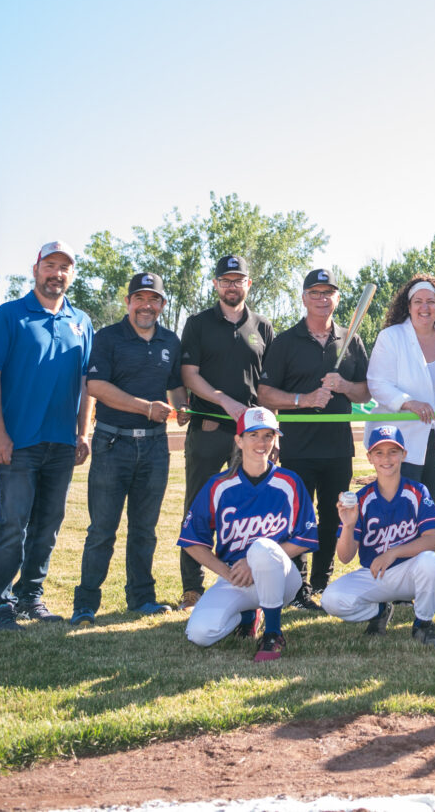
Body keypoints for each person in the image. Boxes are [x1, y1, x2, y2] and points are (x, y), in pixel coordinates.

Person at [0, 240, 94, 631]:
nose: (57, 273)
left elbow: (88, 383)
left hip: (62, 444)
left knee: (48, 524)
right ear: (36, 268)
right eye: (50, 265)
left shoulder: (82, 321)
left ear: (71, 275)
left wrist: (82, 432)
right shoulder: (10, 315)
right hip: (19, 442)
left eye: (64, 268)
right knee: (13, 525)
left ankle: (30, 597)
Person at [71, 272, 187, 624]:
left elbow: (175, 385)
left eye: (154, 299)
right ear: (128, 302)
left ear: (162, 305)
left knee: (144, 529)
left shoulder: (171, 340)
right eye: (139, 298)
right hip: (112, 443)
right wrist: (146, 408)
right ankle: (86, 604)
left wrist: (182, 408)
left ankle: (141, 599)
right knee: (102, 529)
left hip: (155, 448)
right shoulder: (107, 338)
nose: (146, 305)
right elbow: (96, 387)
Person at [257, 268, 371, 609]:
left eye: (329, 293)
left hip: (337, 448)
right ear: (304, 298)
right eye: (316, 293)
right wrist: (303, 400)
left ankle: (322, 582)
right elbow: (264, 393)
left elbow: (366, 391)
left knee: (334, 515)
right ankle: (299, 586)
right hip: (299, 447)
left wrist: (344, 387)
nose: (323, 299)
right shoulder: (285, 342)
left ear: (337, 298)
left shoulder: (351, 340)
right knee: (299, 518)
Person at [176, 254, 277, 611]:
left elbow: (268, 385)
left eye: (239, 280)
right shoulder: (198, 324)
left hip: (252, 438)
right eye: (226, 280)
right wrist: (226, 402)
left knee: (252, 504)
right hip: (209, 429)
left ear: (249, 284)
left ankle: (249, 574)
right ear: (216, 284)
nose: (232, 285)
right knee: (198, 506)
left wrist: (272, 432)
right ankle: (192, 587)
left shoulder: (263, 326)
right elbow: (189, 375)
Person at [177, 407, 315, 662]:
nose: (261, 443)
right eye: (253, 435)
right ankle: (248, 616)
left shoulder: (289, 482)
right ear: (238, 440)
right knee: (200, 633)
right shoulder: (219, 485)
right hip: (236, 577)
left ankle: (273, 633)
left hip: (282, 579)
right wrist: (226, 572)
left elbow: (304, 538)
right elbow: (192, 542)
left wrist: (256, 561)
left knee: (262, 549)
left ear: (275, 440)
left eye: (268, 435)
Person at [324, 424, 435, 647]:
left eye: (393, 451)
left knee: (431, 562)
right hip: (376, 574)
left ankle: (423, 624)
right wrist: (348, 525)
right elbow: (344, 557)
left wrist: (393, 553)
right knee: (331, 599)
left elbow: (433, 540)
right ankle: (379, 610)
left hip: (410, 573)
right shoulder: (362, 499)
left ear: (404, 454)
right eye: (379, 452)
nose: (387, 458)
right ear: (370, 457)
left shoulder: (417, 491)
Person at [366, 275, 435, 502]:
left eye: (431, 301)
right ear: (408, 306)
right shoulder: (390, 337)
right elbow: (377, 383)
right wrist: (409, 402)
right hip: (399, 440)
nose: (425, 307)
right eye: (418, 301)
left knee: (428, 510)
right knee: (400, 510)